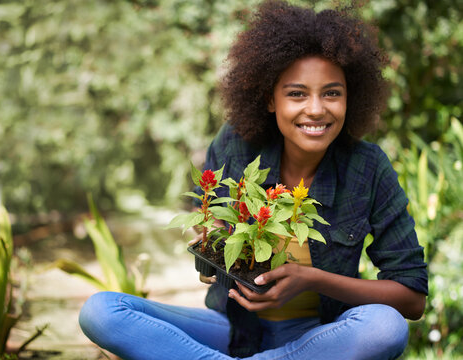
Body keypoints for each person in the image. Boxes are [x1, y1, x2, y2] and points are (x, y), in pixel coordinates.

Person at [78, 1, 428, 359]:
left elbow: (412, 298)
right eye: (296, 93)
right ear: (270, 99)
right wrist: (211, 250)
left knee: (387, 327)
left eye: (332, 93)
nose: (316, 108)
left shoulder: (368, 168)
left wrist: (312, 280)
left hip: (321, 339)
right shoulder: (236, 146)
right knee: (102, 311)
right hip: (232, 329)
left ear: (350, 97)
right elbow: (209, 225)